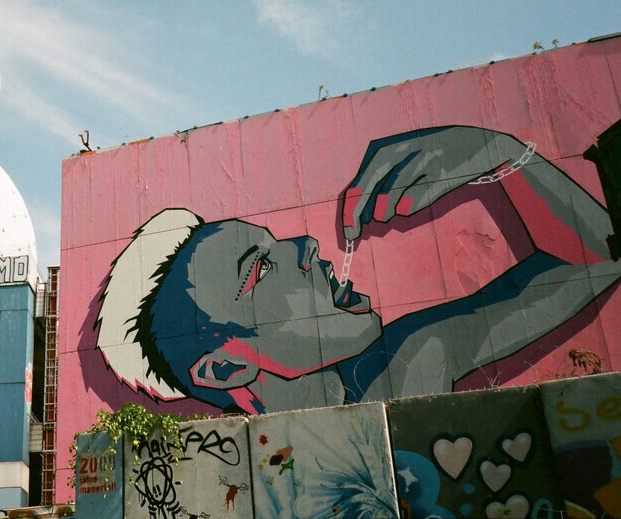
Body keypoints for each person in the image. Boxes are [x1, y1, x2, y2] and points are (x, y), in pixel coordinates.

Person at [96, 126, 621, 414]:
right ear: (226, 368)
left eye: (277, 241)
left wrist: (498, 154)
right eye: (260, 268)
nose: (305, 244)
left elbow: (594, 261)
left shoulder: (401, 371)